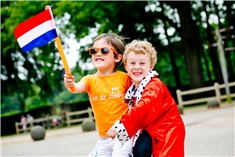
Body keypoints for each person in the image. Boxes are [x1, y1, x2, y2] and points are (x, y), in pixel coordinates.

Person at [107, 40, 186, 157]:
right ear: (126, 65)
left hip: (167, 129)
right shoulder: (131, 89)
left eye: (142, 63)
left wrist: (121, 125)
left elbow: (144, 106)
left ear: (151, 66)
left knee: (153, 152)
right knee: (138, 149)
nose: (137, 67)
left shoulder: (154, 85)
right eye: (132, 63)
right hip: (149, 130)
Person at [64, 33, 133, 157]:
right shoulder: (90, 80)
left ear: (117, 57)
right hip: (104, 139)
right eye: (94, 50)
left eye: (104, 50)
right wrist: (70, 84)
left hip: (123, 135)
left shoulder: (125, 78)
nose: (98, 53)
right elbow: (76, 88)